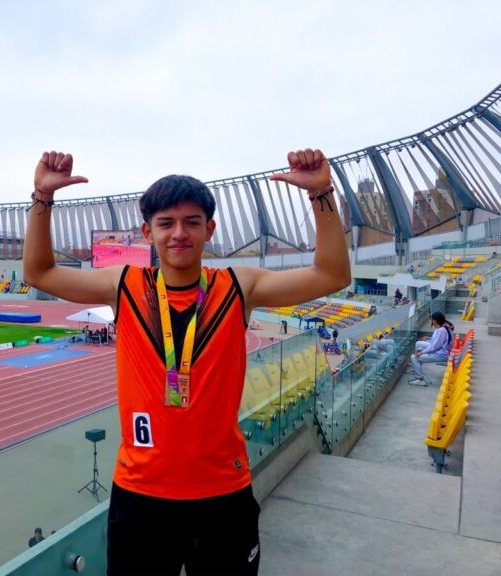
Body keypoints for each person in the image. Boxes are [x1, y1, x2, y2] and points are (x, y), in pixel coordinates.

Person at [23, 149, 350, 575]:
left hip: (222, 496)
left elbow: (332, 275)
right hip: (140, 497)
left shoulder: (238, 287)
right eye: (166, 223)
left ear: (209, 229)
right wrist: (42, 198)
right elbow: (39, 272)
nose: (180, 233)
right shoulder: (124, 284)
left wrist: (322, 193)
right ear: (148, 232)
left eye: (192, 222)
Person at [409, 311, 453, 386]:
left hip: (440, 354)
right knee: (419, 344)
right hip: (441, 351)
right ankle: (416, 367)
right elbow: (438, 342)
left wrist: (422, 352)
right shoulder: (445, 327)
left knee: (414, 357)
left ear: (435, 320)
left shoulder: (441, 331)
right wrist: (429, 338)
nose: (430, 321)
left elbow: (434, 347)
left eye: (431, 319)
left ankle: (419, 379)